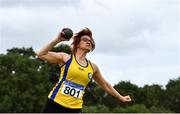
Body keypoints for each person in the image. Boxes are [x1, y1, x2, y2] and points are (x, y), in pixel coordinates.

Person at [36, 27, 132, 113]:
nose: (89, 42)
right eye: (85, 40)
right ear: (77, 44)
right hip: (55, 103)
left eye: (90, 41)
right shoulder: (66, 58)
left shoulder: (93, 67)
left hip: (75, 109)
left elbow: (105, 85)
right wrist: (57, 40)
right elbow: (40, 54)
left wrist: (121, 97)